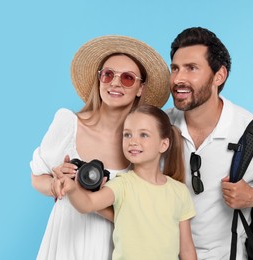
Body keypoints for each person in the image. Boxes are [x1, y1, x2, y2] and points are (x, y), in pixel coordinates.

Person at [30, 35, 170, 260]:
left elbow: (143, 217)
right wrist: (57, 185)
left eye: (127, 78)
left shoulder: (145, 144)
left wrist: (83, 197)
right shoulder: (68, 123)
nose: (115, 83)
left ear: (140, 88)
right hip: (65, 238)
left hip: (114, 246)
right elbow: (37, 178)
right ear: (99, 80)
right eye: (108, 74)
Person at [166, 26, 253, 259]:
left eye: (191, 68)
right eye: (174, 68)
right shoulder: (159, 127)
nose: (178, 79)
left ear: (219, 75)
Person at [58, 104, 196, 260]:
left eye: (143, 135)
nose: (133, 141)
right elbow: (87, 204)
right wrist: (72, 189)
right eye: (127, 135)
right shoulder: (121, 185)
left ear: (163, 144)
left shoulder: (179, 191)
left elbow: (187, 250)